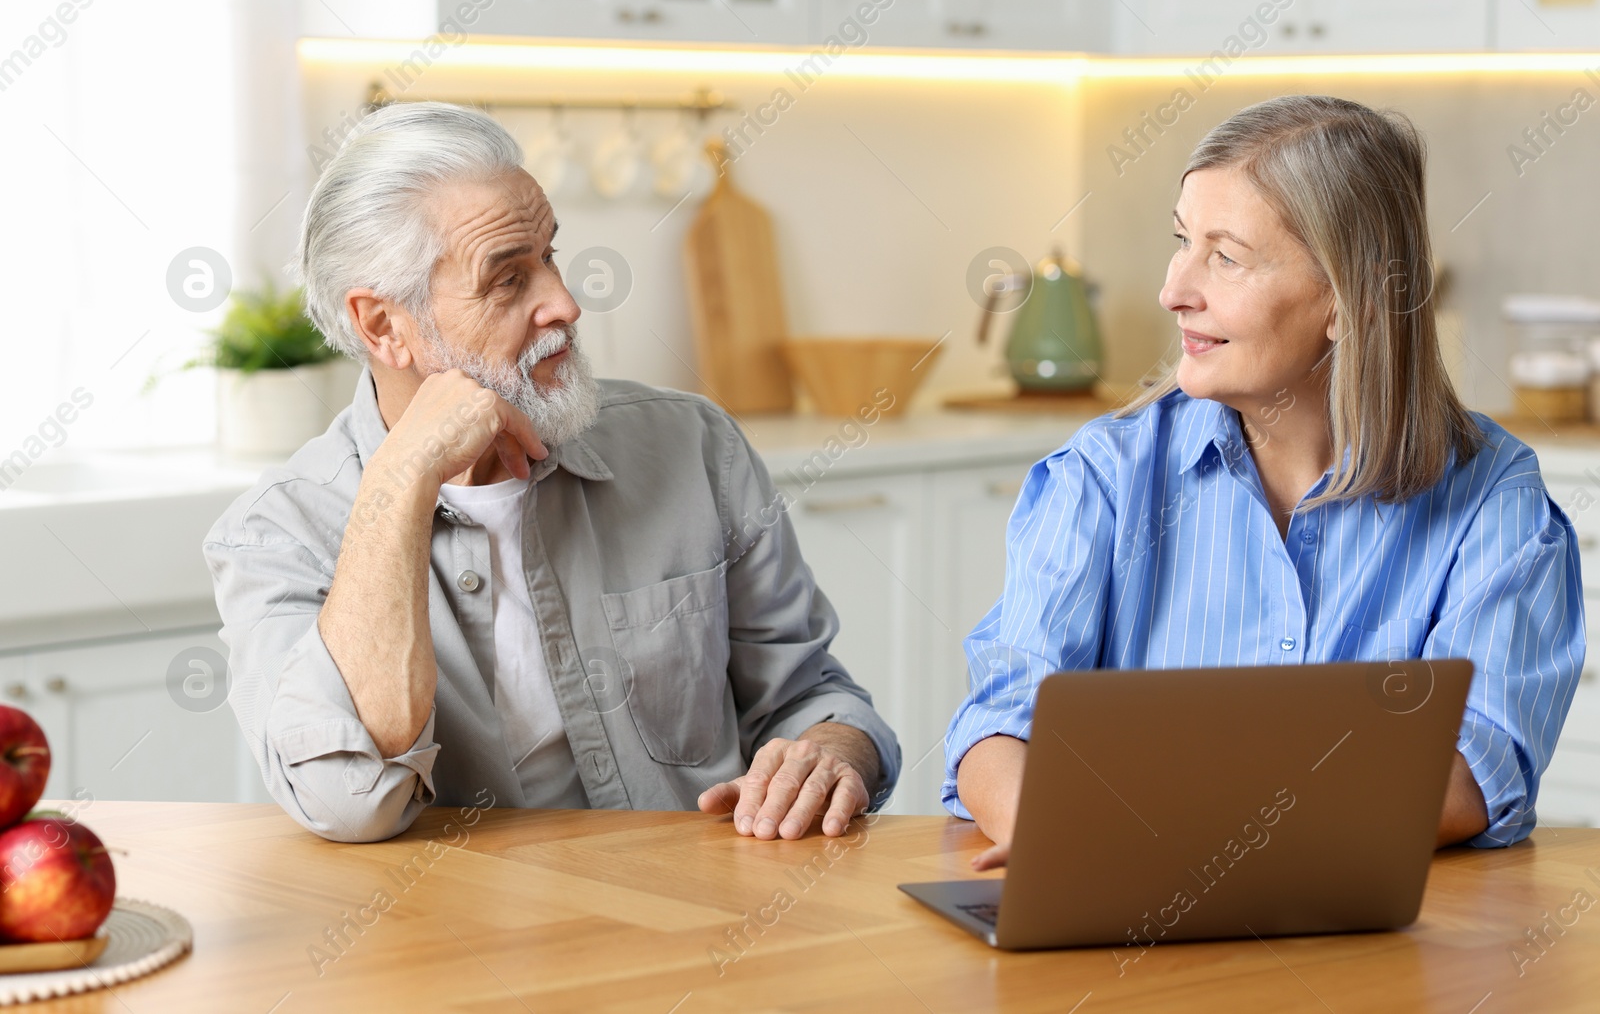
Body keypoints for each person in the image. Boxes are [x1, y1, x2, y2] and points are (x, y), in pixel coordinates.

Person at [204, 102, 899, 842]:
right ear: (383, 326)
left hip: (696, 923)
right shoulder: (273, 536)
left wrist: (832, 750)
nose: (563, 303)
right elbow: (346, 800)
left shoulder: (695, 446)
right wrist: (401, 475)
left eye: (550, 257)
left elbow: (810, 696)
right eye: (508, 280)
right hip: (443, 948)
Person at [943, 95, 1584, 868]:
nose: (1174, 289)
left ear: (1350, 300)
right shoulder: (1103, 478)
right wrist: (1052, 827)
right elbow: (1000, 721)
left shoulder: (1493, 499)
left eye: (1226, 256)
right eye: (1181, 241)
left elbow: (1476, 768)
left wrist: (1201, 833)